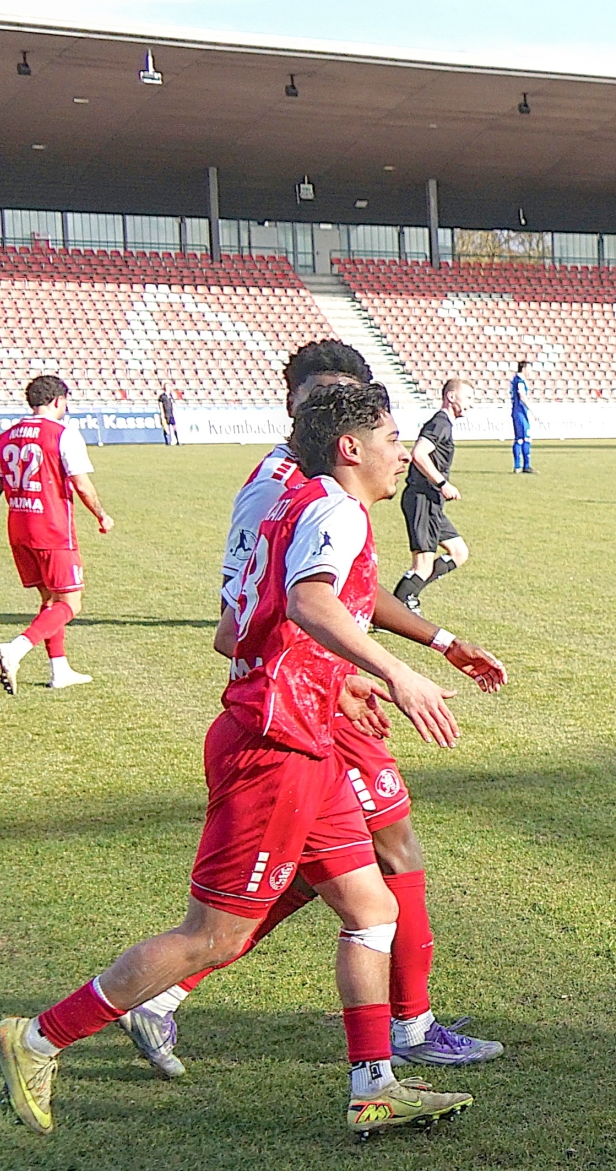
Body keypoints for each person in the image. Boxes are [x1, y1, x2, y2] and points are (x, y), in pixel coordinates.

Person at [0, 382, 477, 1138]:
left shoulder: (295, 500)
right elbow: (311, 605)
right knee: (212, 936)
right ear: (351, 448)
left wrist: (334, 679)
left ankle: (373, 1085)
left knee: (370, 907)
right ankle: (38, 1037)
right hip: (272, 748)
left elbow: (243, 626)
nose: (403, 455)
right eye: (392, 439)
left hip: (301, 734)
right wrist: (396, 672)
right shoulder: (336, 511)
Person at [121, 342, 505, 1082]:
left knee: (342, 871)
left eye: (354, 395)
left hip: (323, 690)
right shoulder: (285, 486)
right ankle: (408, 1029)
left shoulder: (324, 483)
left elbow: (348, 590)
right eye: (324, 394)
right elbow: (245, 619)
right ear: (293, 399)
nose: (342, 411)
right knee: (390, 855)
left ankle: (167, 995)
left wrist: (443, 639)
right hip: (303, 705)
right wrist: (355, 680)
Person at [0, 375, 114, 693]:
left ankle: (59, 669)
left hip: (18, 528)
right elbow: (81, 483)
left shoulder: (4, 437)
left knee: (50, 600)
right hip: (52, 529)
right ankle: (16, 649)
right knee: (70, 604)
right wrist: (101, 515)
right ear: (58, 401)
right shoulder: (62, 434)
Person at [393, 379, 471, 614]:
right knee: (423, 564)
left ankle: (405, 598)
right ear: (451, 397)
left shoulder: (444, 424)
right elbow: (418, 453)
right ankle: (400, 606)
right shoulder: (439, 423)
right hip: (422, 498)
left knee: (459, 552)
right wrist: (442, 483)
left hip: (431, 500)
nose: (471, 405)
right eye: (468, 398)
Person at [510, 361, 534, 474]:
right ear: (524, 368)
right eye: (529, 369)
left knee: (525, 438)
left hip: (521, 412)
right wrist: (533, 411)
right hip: (519, 412)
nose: (530, 372)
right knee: (520, 438)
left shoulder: (518, 380)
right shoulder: (519, 381)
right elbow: (522, 397)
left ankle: (525, 465)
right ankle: (519, 465)